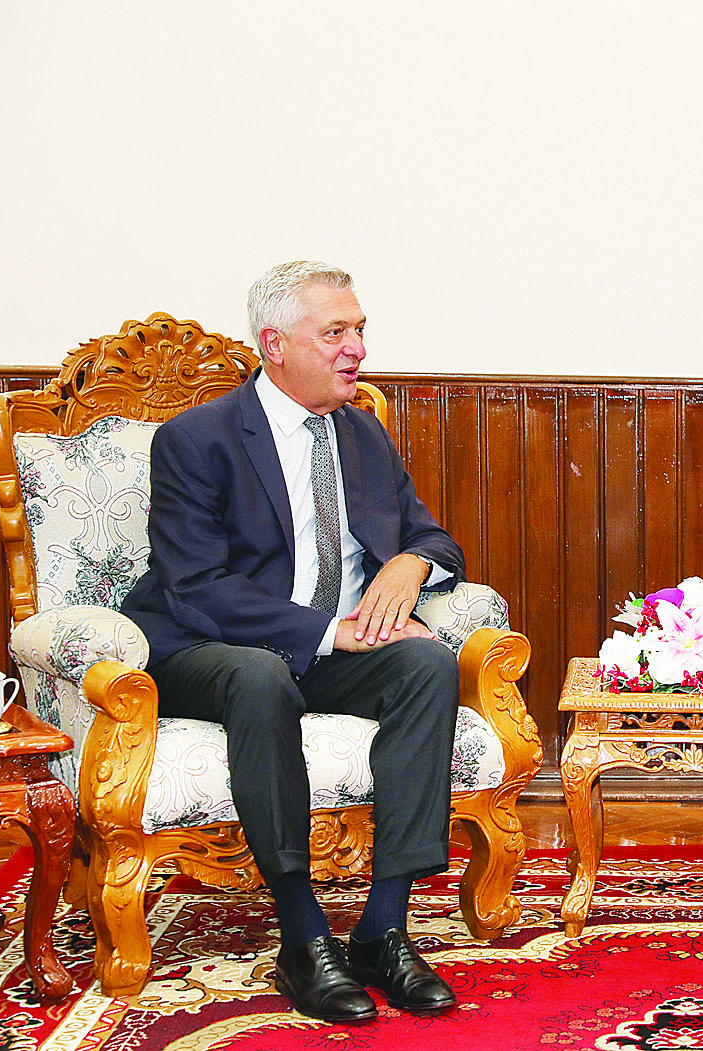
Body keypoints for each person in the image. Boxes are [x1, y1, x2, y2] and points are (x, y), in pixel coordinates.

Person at [122, 261, 465, 1023]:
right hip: (210, 647)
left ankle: (383, 928)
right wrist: (329, 630)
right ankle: (304, 935)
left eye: (359, 330)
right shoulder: (196, 439)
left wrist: (410, 564)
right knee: (258, 676)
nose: (357, 348)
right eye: (335, 331)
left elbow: (432, 536)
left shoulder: (362, 432)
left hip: (325, 653)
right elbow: (195, 584)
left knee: (424, 662)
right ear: (274, 344)